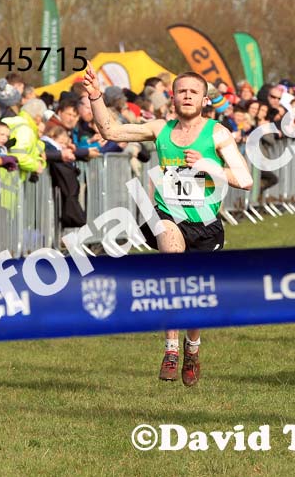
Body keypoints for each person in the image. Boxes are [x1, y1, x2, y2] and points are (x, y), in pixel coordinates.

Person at [83, 61, 252, 387]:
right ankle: (171, 349)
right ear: (172, 98)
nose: (187, 96)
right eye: (181, 91)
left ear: (204, 100)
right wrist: (95, 97)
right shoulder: (160, 128)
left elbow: (244, 180)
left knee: (197, 292)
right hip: (167, 216)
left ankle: (192, 348)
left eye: (194, 92)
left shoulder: (217, 133)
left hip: (205, 223)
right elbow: (111, 132)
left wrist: (208, 166)